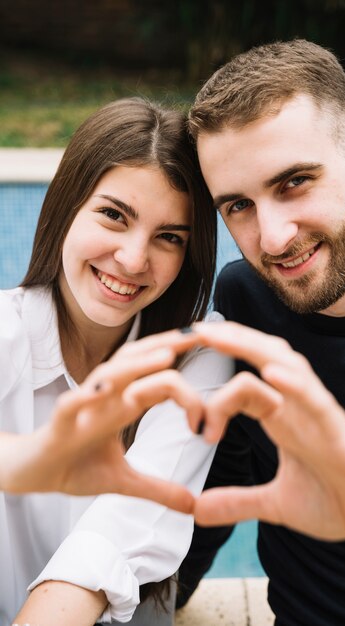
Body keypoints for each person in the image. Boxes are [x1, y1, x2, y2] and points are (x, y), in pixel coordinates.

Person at [175, 39, 345, 625]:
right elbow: (229, 468)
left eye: (294, 182)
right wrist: (158, 599)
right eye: (237, 206)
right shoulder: (248, 298)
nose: (271, 239)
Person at [2, 96, 233, 626]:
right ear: (66, 207)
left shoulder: (199, 358)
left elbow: (121, 531)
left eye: (168, 237)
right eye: (113, 215)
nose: (132, 260)